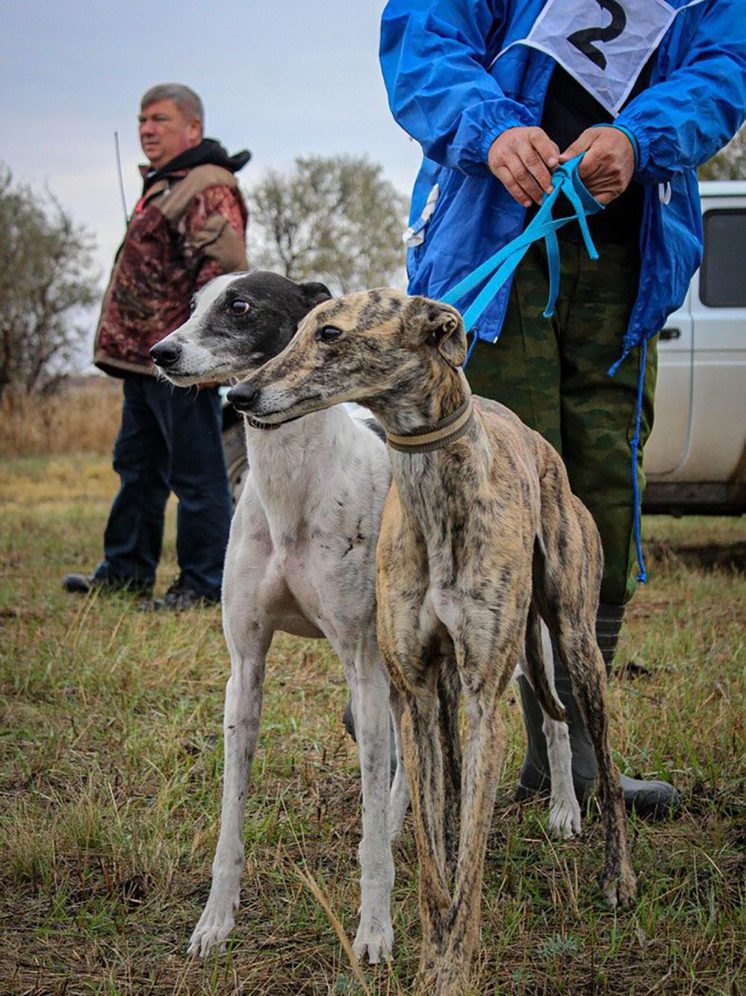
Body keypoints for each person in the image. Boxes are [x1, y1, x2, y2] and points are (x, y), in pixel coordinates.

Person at [380, 0, 745, 815]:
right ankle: (424, 712)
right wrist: (493, 129)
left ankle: (574, 752)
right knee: (481, 500)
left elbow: (727, 64)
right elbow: (423, 42)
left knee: (600, 502)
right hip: (496, 247)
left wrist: (641, 136)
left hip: (627, 257)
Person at [63, 83, 250, 610]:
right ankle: (125, 571)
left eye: (160, 120)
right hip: (144, 360)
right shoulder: (167, 185)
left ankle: (204, 583)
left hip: (182, 362)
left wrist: (202, 358)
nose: (146, 129)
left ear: (192, 128)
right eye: (142, 120)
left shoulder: (206, 186)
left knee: (196, 473)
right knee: (137, 466)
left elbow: (223, 279)